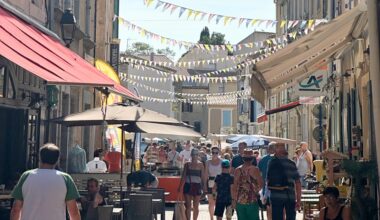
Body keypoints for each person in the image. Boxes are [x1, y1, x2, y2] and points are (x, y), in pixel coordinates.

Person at [10, 143, 81, 220]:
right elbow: (74, 212)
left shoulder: (26, 176)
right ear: (57, 160)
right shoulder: (66, 179)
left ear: (40, 158)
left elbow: (16, 210)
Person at [267, 142, 301, 220]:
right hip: (289, 196)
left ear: (276, 151)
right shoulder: (291, 164)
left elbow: (268, 179)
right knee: (290, 217)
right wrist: (298, 200)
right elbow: (298, 182)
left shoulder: (271, 162)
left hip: (275, 195)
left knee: (277, 217)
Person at [232, 149, 263, 220]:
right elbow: (261, 185)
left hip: (240, 201)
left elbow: (234, 187)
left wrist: (233, 200)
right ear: (252, 159)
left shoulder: (237, 170)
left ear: (243, 159)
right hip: (252, 200)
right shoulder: (255, 170)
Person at [177, 148, 207, 220]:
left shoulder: (201, 165)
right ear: (191, 155)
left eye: (196, 154)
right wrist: (180, 187)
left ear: (198, 155)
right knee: (188, 205)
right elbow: (183, 176)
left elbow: (203, 177)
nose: (195, 156)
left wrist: (205, 187)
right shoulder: (187, 164)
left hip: (197, 185)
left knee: (196, 206)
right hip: (188, 185)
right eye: (193, 154)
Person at [257, 142, 276, 220]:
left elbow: (259, 174)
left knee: (269, 209)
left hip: (267, 188)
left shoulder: (263, 160)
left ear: (268, 149)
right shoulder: (280, 159)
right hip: (280, 188)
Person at [205, 146, 223, 220]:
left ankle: (218, 218)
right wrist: (204, 185)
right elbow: (206, 174)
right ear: (211, 153)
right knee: (211, 202)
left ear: (218, 153)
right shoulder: (208, 162)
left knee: (218, 203)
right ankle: (211, 218)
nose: (215, 154)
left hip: (219, 183)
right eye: (213, 152)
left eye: (216, 152)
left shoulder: (222, 161)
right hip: (210, 182)